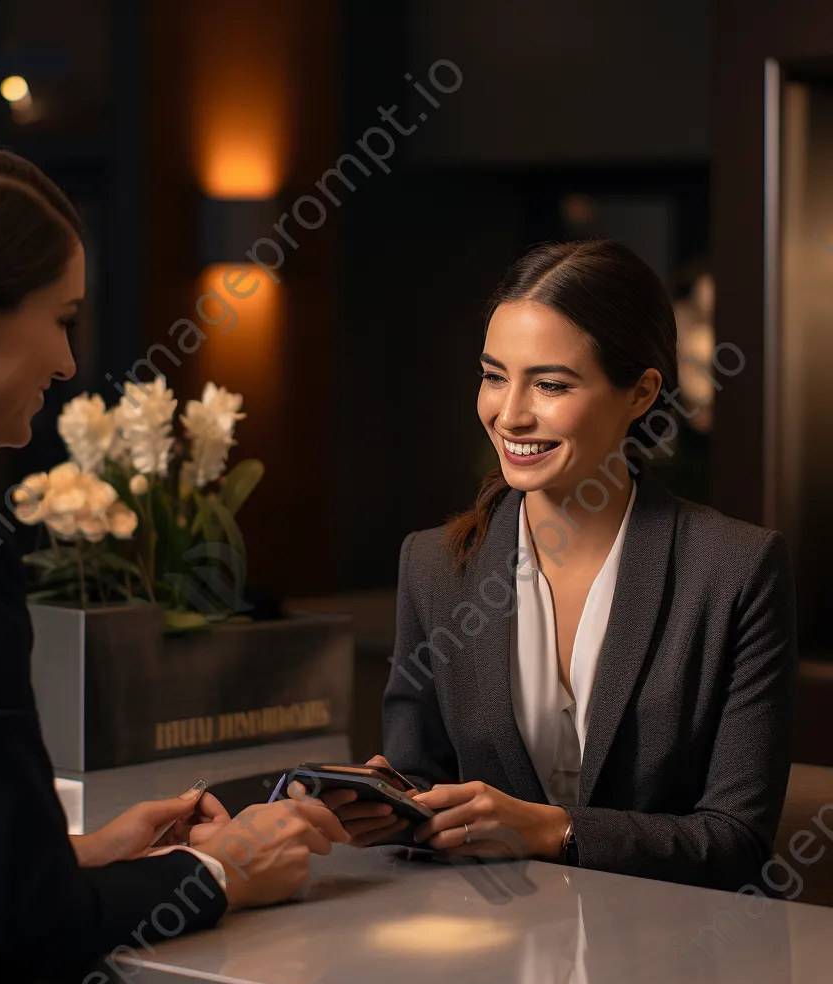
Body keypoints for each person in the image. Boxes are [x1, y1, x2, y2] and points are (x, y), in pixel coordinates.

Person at [0, 139, 348, 984]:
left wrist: (73, 852)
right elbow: (36, 925)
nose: (67, 363)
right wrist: (223, 870)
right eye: (62, 318)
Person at [322, 239, 797, 893]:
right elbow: (424, 783)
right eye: (494, 375)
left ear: (641, 392)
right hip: (489, 959)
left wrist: (554, 830)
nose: (509, 413)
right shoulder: (434, 566)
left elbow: (736, 843)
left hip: (677, 967)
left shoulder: (737, 570)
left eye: (550, 384)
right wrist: (398, 810)